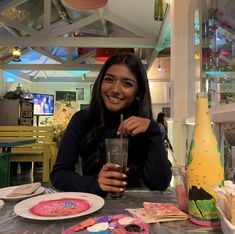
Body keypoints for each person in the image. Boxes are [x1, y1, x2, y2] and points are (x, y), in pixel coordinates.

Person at [50, 53, 172, 197]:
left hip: (138, 210)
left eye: (127, 83)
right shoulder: (82, 120)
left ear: (138, 92)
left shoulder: (145, 127)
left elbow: (160, 183)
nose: (115, 89)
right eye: (109, 79)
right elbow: (59, 175)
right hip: (94, 208)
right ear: (100, 83)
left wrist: (153, 131)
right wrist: (95, 183)